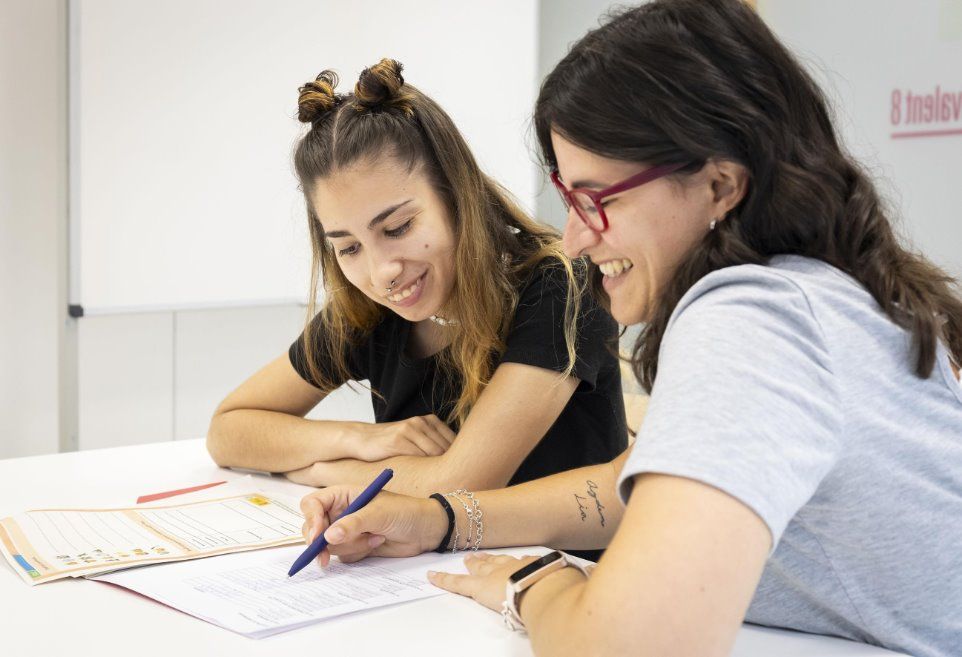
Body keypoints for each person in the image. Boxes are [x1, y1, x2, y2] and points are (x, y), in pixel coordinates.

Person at [297, 3, 962, 656]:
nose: (579, 240)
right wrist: (442, 519)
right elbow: (634, 482)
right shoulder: (813, 289)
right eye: (569, 201)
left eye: (599, 200)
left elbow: (627, 646)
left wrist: (535, 585)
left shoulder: (752, 319)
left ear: (719, 185)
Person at [206, 59, 627, 512]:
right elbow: (228, 431)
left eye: (398, 227)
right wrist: (361, 439)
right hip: (432, 574)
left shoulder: (559, 289)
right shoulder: (367, 309)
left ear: (454, 194)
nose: (381, 271)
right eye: (348, 248)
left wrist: (319, 470)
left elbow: (461, 486)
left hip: (565, 573)